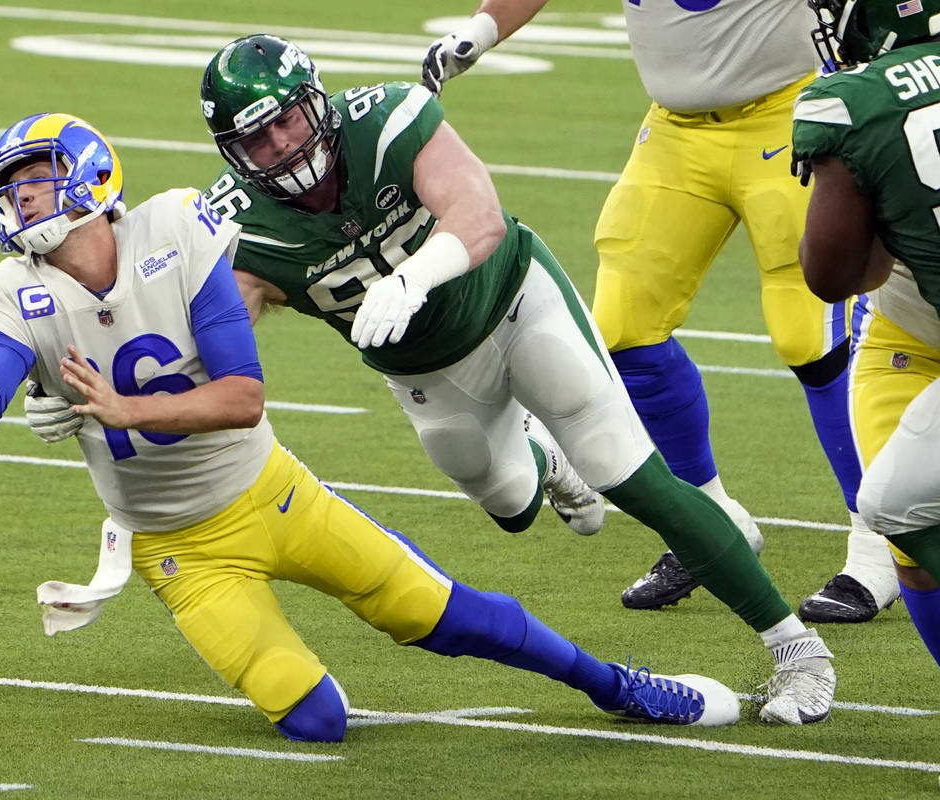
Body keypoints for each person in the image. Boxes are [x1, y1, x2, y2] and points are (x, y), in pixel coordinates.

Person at [0, 111, 744, 741]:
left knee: (439, 614)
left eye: (35, 180)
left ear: (93, 178)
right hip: (180, 553)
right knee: (319, 722)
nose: (20, 200)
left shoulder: (175, 227)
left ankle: (618, 686)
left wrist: (125, 409)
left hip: (270, 490)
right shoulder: (10, 292)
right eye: (11, 189)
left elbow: (241, 397)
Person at [128, 33, 835, 724]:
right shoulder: (236, 229)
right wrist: (113, 396)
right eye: (257, 138)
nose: (282, 144)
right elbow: (209, 346)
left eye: (288, 118)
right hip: (426, 371)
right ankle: (544, 457)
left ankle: (797, 649)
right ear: (232, 153)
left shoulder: (387, 120)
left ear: (318, 101)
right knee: (510, 506)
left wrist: (415, 276)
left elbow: (479, 215)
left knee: (630, 475)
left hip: (514, 300)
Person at [421, 0, 900, 623]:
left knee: (812, 338)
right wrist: (481, 30)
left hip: (790, 112)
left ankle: (879, 542)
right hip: (675, 133)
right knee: (623, 329)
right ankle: (709, 520)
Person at [792, 0, 940, 666]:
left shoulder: (855, 104)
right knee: (904, 519)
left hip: (908, 329)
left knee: (897, 508)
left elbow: (833, 277)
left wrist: (857, 176)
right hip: (908, 333)